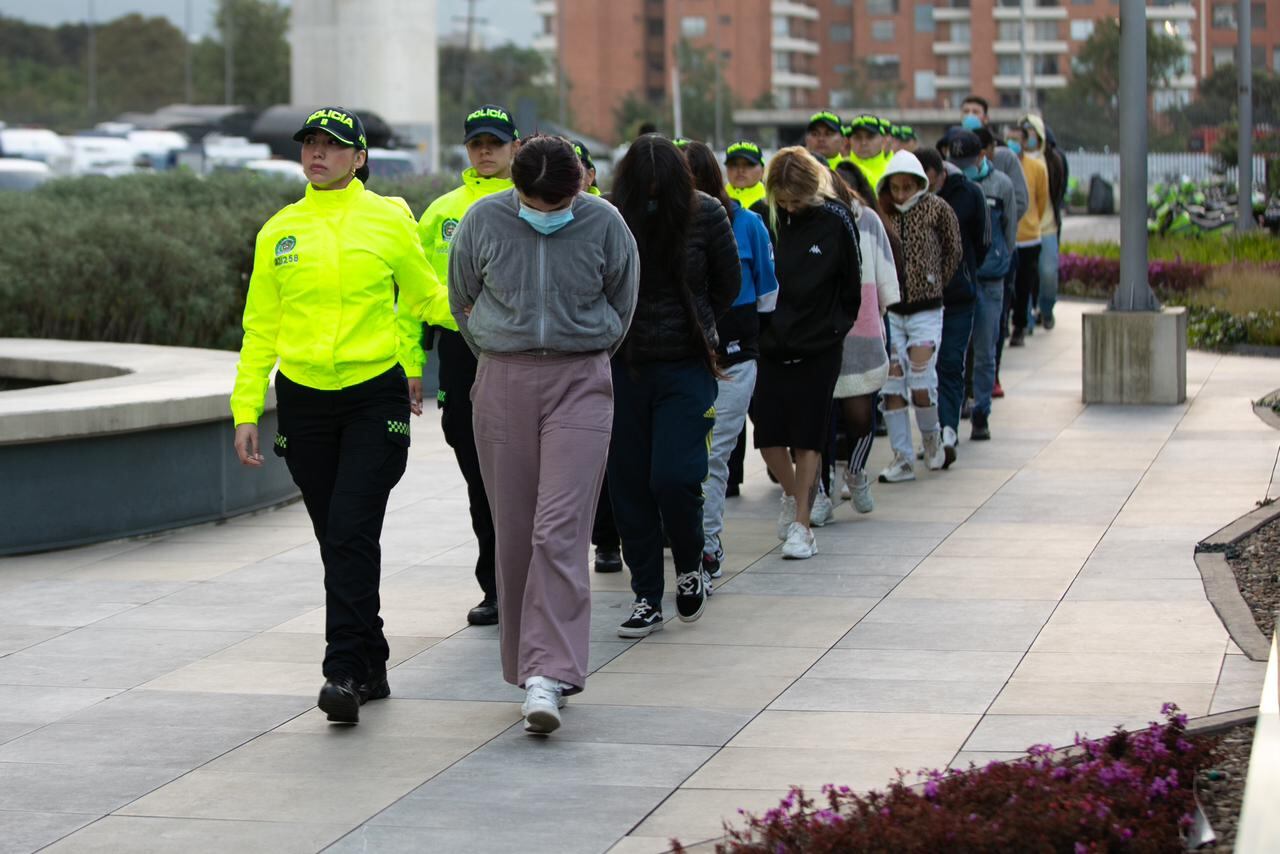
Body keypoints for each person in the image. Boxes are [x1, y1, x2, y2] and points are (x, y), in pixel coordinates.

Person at [231, 107, 453, 724]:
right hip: (304, 402)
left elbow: (427, 296)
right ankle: (372, 660)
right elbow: (260, 328)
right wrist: (246, 407)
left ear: (359, 159)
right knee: (338, 538)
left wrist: (494, 317)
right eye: (310, 144)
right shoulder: (279, 230)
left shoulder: (388, 221)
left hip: (372, 397)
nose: (317, 153)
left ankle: (343, 672)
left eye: (331, 145)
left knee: (350, 529)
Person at [448, 135, 639, 735]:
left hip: (580, 379)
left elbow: (623, 303)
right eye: (536, 204)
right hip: (503, 378)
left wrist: (585, 352)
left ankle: (547, 674)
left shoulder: (605, 223)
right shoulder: (484, 220)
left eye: (559, 205)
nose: (548, 214)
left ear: (579, 186)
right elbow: (462, 300)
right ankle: (525, 666)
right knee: (514, 534)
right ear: (517, 187)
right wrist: (499, 350)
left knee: (559, 529)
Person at [609, 135, 740, 637]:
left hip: (687, 365)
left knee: (675, 477)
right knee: (628, 485)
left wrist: (699, 324)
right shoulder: (610, 215)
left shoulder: (706, 213)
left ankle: (689, 566)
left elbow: (728, 285)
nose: (651, 195)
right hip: (624, 366)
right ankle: (646, 595)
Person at [416, 104, 521, 627]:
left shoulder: (534, 200)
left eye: (494, 143)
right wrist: (412, 363)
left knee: (524, 473)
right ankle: (495, 586)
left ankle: (531, 579)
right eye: (477, 143)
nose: (485, 152)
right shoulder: (440, 212)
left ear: (515, 147)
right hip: (460, 352)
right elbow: (412, 296)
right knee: (479, 476)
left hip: (519, 351)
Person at [756, 147, 861, 559]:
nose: (789, 208)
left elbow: (852, 283)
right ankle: (792, 493)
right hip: (770, 345)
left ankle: (803, 523)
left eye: (796, 200)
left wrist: (834, 329)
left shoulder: (836, 219)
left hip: (819, 346)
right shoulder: (763, 218)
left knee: (808, 438)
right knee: (768, 436)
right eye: (782, 200)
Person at [682, 141, 778, 579]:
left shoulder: (749, 224)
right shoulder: (661, 226)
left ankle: (707, 543)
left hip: (736, 355)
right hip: (681, 357)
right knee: (683, 458)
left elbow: (767, 294)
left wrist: (742, 335)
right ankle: (686, 535)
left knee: (715, 452)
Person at [875, 150, 962, 483]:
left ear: (920, 184)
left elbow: (953, 249)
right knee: (892, 383)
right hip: (892, 311)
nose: (900, 194)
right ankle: (903, 458)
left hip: (926, 309)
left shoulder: (938, 208)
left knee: (922, 381)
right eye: (895, 187)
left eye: (907, 187)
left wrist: (934, 282)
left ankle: (932, 440)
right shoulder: (881, 213)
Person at [830, 160, 900, 513]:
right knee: (823, 419)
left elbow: (887, 278)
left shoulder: (869, 220)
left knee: (860, 416)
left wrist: (878, 314)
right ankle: (822, 485)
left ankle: (856, 471)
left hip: (863, 331)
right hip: (823, 335)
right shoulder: (812, 217)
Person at [921, 141, 989, 469]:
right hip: (921, 301)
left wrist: (963, 273)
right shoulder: (906, 201)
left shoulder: (969, 194)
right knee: (924, 369)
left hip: (959, 297)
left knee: (950, 362)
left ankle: (948, 430)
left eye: (928, 179)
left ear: (941, 173)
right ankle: (931, 434)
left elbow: (982, 241)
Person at [967, 127, 1017, 442]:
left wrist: (1000, 258)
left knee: (986, 351)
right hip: (960, 279)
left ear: (983, 154)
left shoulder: (1002, 185)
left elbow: (1010, 231)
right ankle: (951, 415)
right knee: (955, 352)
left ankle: (981, 412)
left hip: (990, 279)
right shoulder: (952, 184)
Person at [1023, 115, 1067, 330]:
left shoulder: (1052, 161)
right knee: (1023, 279)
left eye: (1032, 132)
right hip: (1023, 231)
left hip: (1047, 227)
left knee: (1048, 273)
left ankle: (1046, 309)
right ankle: (1025, 320)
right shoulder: (1015, 160)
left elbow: (1058, 191)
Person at [1007, 121, 1048, 348]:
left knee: (1024, 286)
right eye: (1009, 138)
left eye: (1016, 139)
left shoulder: (1037, 168)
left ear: (1025, 141)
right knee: (1008, 286)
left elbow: (1042, 200)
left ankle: (1020, 326)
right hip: (1007, 237)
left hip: (1029, 237)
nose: (1012, 143)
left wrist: (1032, 222)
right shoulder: (1000, 166)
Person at [846, 114, 889, 192]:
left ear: (883, 141)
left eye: (870, 137)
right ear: (849, 141)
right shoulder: (839, 170)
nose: (863, 143)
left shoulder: (892, 170)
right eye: (858, 137)